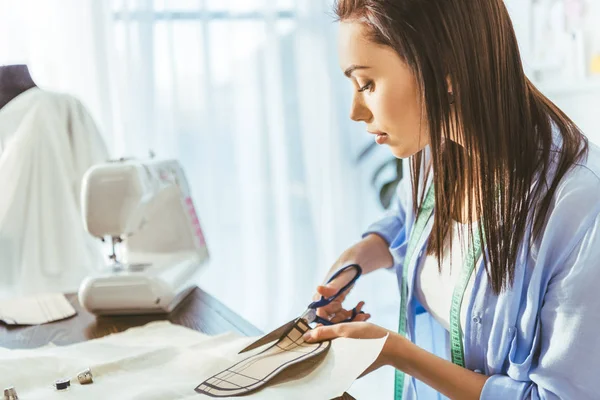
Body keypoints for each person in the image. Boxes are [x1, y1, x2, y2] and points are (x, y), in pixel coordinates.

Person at [302, 0, 600, 399]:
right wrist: (358, 258)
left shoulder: (580, 206)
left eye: (367, 84)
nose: (356, 111)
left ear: (444, 69)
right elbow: (403, 222)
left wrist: (396, 353)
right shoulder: (434, 149)